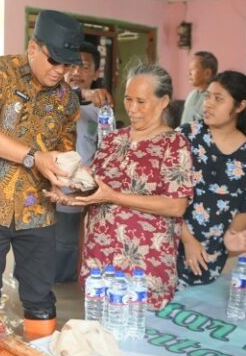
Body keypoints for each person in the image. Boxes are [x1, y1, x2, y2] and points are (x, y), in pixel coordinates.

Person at [0, 9, 82, 347]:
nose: (61, 71)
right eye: (54, 61)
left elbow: (64, 150)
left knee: (41, 295)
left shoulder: (68, 100)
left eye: (68, 65)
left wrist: (62, 179)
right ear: (33, 48)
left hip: (37, 210)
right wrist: (33, 157)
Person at [70, 64, 193, 310]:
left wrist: (113, 196)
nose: (132, 109)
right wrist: (72, 186)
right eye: (128, 99)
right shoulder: (113, 139)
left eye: (141, 101)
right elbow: (96, 190)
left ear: (163, 102)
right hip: (100, 265)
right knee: (100, 339)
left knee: (139, 341)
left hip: (144, 270)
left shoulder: (174, 144)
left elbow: (176, 205)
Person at [177, 71, 246, 286]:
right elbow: (163, 193)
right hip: (170, 245)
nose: (208, 104)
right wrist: (188, 240)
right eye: (207, 96)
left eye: (218, 99)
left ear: (240, 106)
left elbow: (244, 210)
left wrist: (232, 237)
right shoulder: (186, 137)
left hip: (210, 257)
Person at [54, 41, 102, 283]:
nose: (76, 72)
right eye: (70, 66)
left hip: (83, 196)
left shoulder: (102, 110)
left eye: (83, 67)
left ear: (96, 73)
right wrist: (81, 94)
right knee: (45, 251)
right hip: (51, 193)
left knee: (72, 249)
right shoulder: (51, 102)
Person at [180, 51, 217, 124]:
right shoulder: (191, 95)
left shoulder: (213, 99)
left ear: (207, 73)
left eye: (193, 69)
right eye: (189, 69)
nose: (189, 73)